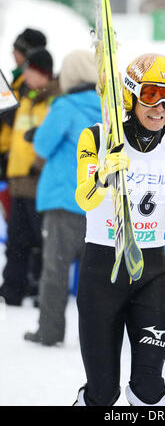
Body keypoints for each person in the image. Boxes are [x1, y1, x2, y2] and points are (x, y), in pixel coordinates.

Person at [73, 53, 165, 406]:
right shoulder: (96, 138)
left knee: (149, 390)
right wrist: (105, 175)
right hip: (102, 273)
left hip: (151, 275)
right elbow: (84, 198)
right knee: (102, 393)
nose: (162, 107)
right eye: (152, 94)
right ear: (131, 95)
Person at [24, 49, 101, 346]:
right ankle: (99, 336)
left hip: (64, 200)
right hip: (97, 203)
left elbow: (43, 146)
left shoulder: (65, 106)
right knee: (96, 277)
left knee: (55, 271)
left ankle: (50, 331)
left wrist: (37, 134)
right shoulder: (109, 108)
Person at [0, 48, 59, 306]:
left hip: (40, 184)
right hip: (19, 182)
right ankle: (12, 290)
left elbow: (53, 138)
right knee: (16, 242)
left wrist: (39, 164)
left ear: (41, 73)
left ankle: (42, 292)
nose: (24, 75)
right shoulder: (25, 99)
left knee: (44, 244)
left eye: (29, 71)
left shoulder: (54, 101)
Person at [0, 28, 47, 219]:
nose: (13, 53)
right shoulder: (18, 82)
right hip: (12, 164)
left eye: (17, 49)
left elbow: (25, 123)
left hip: (24, 168)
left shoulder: (32, 86)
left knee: (22, 234)